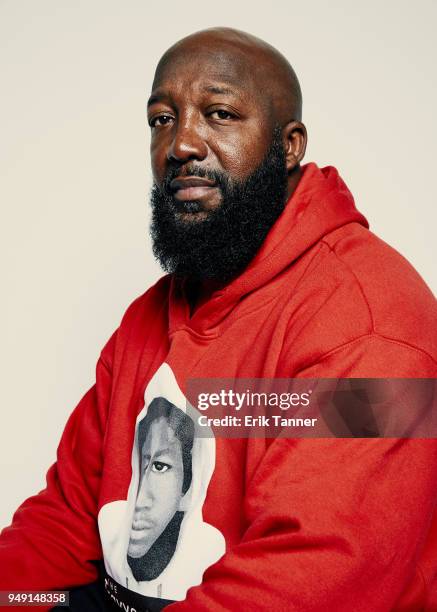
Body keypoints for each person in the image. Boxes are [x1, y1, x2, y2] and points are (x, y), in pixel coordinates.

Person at [1, 26, 437, 612]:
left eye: (220, 113)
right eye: (161, 118)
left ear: (289, 146)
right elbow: (64, 520)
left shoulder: (373, 329)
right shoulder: (148, 318)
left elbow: (311, 583)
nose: (180, 143)